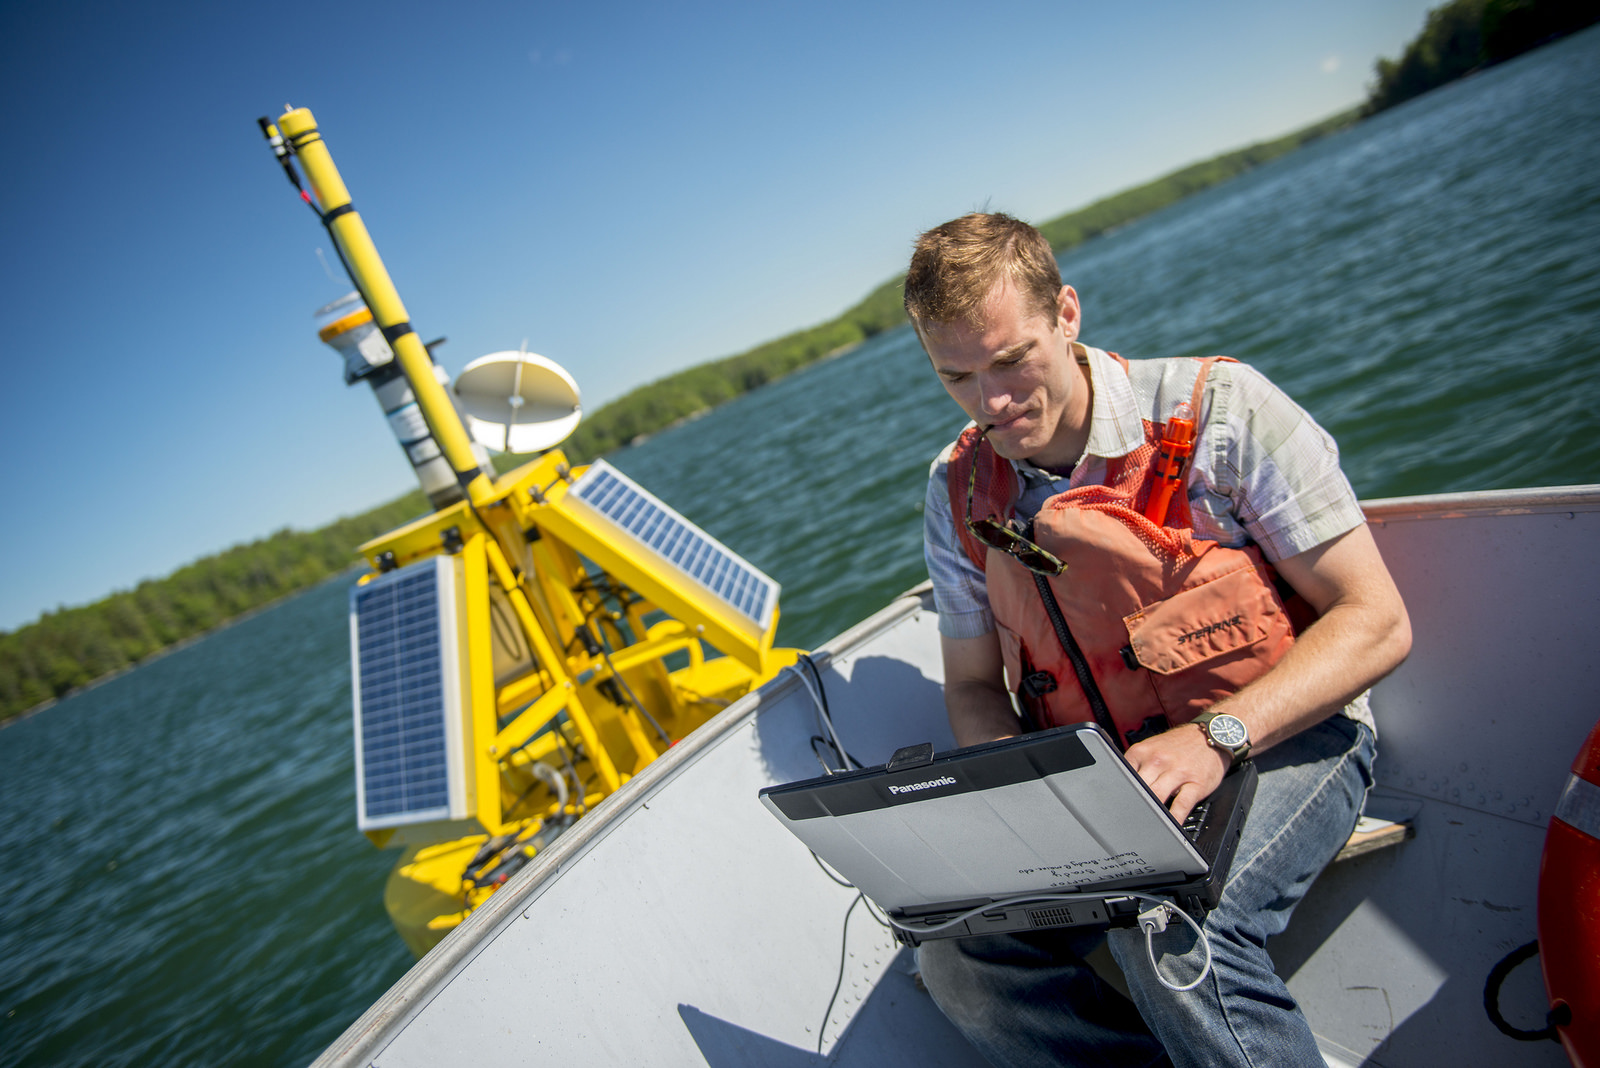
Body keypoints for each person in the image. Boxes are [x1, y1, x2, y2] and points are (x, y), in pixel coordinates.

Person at [908, 212, 1412, 1068]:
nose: (991, 402)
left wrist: (1219, 737)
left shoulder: (1224, 410)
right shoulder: (954, 490)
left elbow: (1376, 621)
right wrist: (1026, 805)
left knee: (1170, 929)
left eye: (1010, 360)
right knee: (959, 963)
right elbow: (973, 688)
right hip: (1106, 793)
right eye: (956, 374)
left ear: (1067, 313)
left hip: (1288, 738)